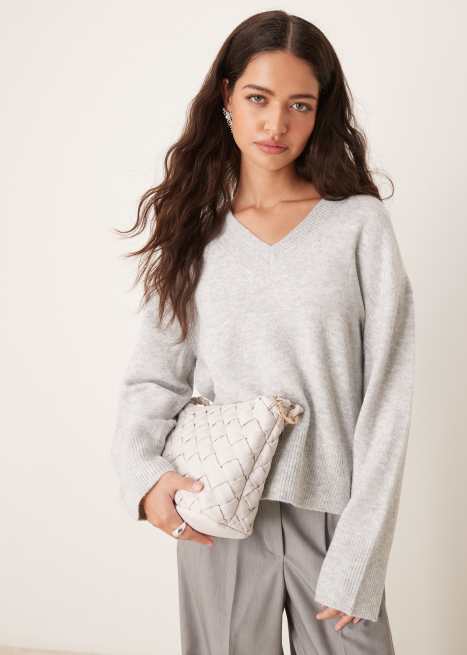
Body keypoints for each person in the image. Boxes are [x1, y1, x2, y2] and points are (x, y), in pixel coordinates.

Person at [111, 9, 415, 654]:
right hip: (217, 506)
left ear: (320, 113)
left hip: (333, 517)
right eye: (258, 98)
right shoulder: (194, 230)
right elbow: (153, 376)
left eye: (299, 105)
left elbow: (388, 395)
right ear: (226, 96)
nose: (277, 124)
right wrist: (146, 475)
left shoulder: (359, 225)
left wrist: (361, 547)